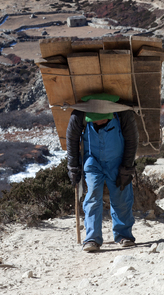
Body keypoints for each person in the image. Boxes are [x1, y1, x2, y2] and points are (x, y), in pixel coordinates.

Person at [66, 93, 139, 252]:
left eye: (102, 119)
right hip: (92, 160)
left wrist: (126, 168)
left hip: (117, 161)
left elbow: (132, 141)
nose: (98, 122)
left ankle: (124, 235)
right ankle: (92, 238)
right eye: (94, 120)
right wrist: (73, 168)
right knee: (92, 194)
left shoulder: (124, 114)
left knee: (121, 196)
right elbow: (72, 140)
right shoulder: (79, 114)